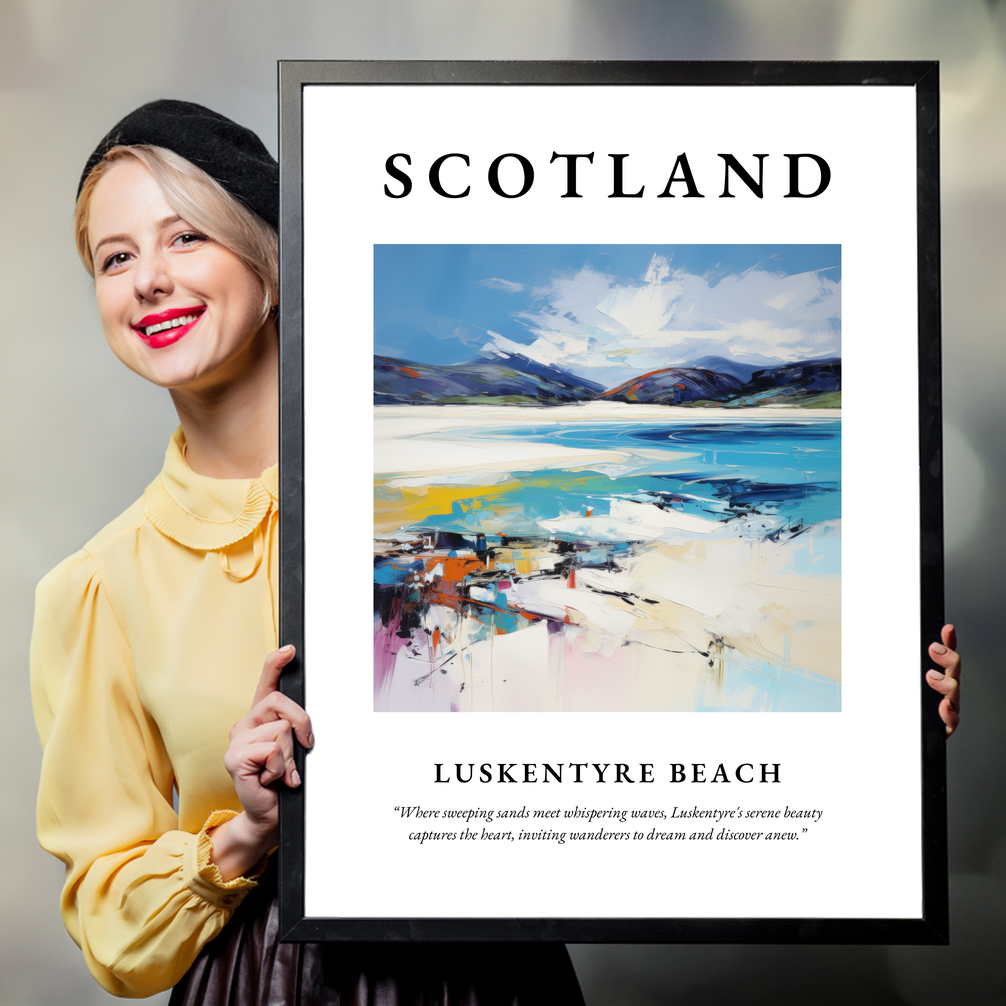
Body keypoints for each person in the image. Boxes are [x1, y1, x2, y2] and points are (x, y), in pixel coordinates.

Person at [30, 100, 585, 1004]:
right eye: (116, 257)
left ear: (273, 264)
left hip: (492, 972)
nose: (148, 281)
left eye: (186, 239)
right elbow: (110, 924)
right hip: (263, 981)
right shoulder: (98, 587)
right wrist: (245, 832)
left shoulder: (453, 497)